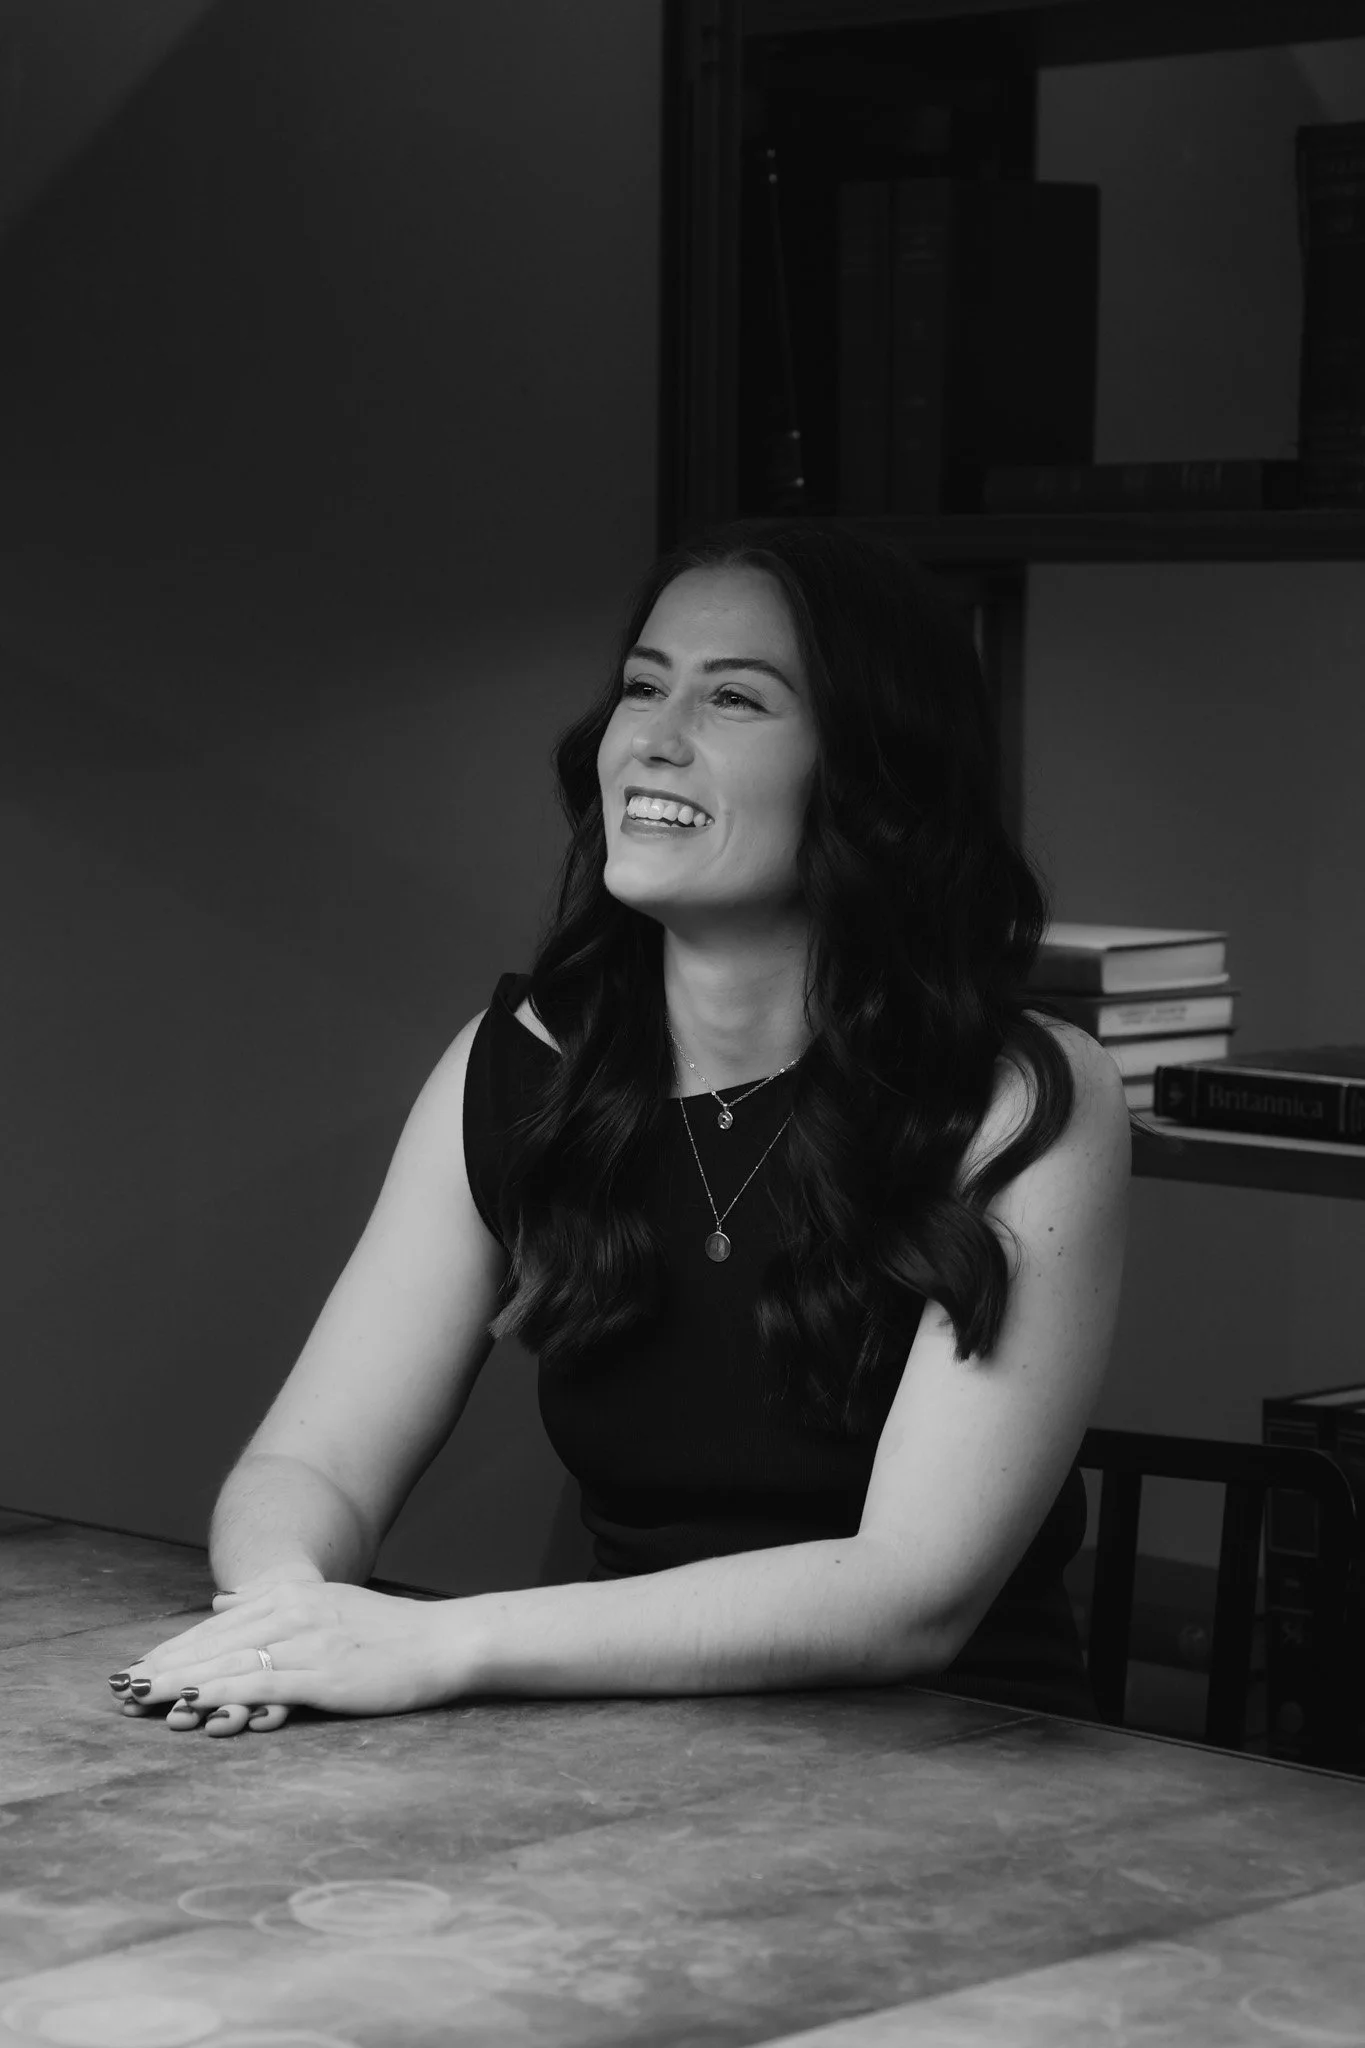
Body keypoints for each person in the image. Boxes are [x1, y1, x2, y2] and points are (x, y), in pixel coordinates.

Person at [109, 519, 1131, 1739]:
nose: (651, 735)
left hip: (961, 1773)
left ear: (871, 773)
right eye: (643, 684)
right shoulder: (529, 1061)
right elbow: (308, 1465)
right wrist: (284, 1610)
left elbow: (908, 1595)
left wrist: (441, 1640)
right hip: (624, 1748)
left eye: (735, 698)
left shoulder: (1022, 1098)